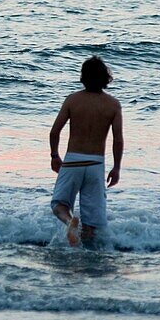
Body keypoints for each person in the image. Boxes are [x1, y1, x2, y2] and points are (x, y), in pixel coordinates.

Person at [49, 56, 123, 245]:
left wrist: (55, 155)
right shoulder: (113, 105)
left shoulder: (73, 100)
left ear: (83, 77)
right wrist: (116, 168)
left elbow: (54, 132)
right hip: (96, 164)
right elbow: (117, 140)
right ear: (106, 78)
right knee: (92, 222)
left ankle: (69, 222)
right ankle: (85, 255)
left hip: (73, 160)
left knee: (59, 205)